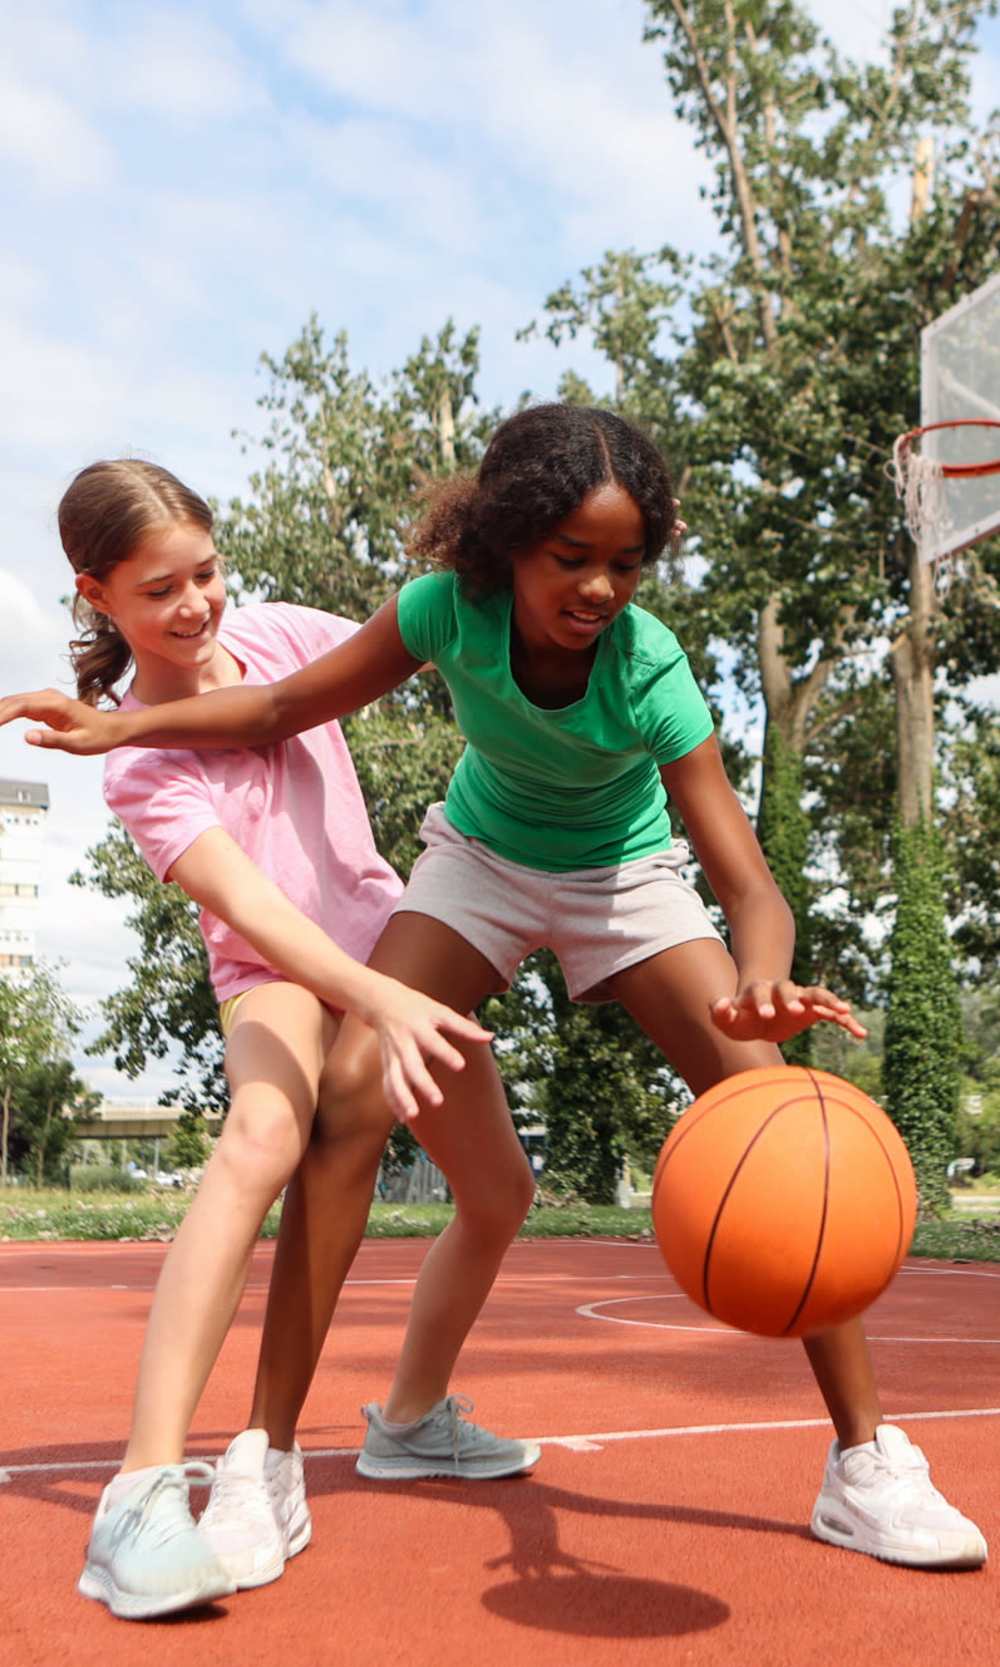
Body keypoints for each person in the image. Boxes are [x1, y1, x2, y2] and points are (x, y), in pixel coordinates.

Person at [3, 408, 986, 1571]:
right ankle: (262, 1457)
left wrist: (761, 980)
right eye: (571, 558)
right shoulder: (443, 612)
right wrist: (121, 723)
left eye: (625, 561)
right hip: (478, 856)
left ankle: (865, 1459)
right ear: (507, 545)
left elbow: (748, 883)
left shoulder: (652, 670)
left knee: (770, 1104)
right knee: (354, 1088)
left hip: (625, 874)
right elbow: (277, 707)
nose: (601, 587)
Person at [20, 460, 537, 1621]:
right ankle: (145, 1492)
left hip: (391, 946)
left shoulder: (280, 633)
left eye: (205, 570)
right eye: (160, 590)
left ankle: (409, 1418)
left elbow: (423, 626)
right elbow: (254, 914)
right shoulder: (141, 764)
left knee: (501, 1191)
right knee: (262, 1132)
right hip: (281, 978)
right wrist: (378, 996)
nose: (196, 603)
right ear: (97, 593)